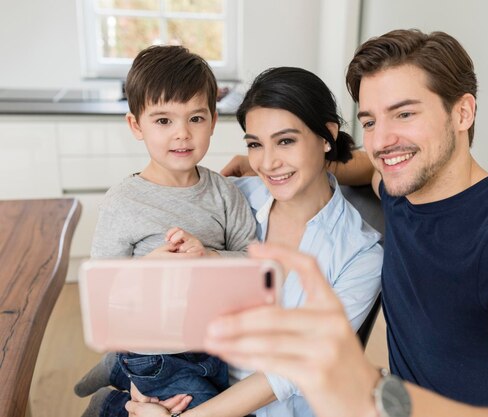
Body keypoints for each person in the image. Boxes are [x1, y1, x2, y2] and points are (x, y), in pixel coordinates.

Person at [185, 29, 488, 417]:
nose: (380, 141)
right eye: (371, 121)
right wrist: (281, 168)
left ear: (462, 112)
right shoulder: (400, 192)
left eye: (405, 114)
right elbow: (366, 162)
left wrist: (373, 393)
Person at [122, 66, 383, 417]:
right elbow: (160, 295)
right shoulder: (229, 199)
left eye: (286, 141)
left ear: (327, 137)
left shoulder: (362, 254)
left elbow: (290, 371)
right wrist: (145, 390)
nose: (268, 162)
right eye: (256, 145)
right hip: (185, 384)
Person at [74, 44, 259, 417]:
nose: (182, 134)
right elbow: (102, 297)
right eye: (163, 121)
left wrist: (208, 257)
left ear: (212, 120)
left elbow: (252, 265)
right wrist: (146, 272)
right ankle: (115, 399)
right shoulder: (124, 202)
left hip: (216, 347)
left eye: (196, 118)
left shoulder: (225, 193)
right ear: (136, 125)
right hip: (154, 352)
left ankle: (115, 381)